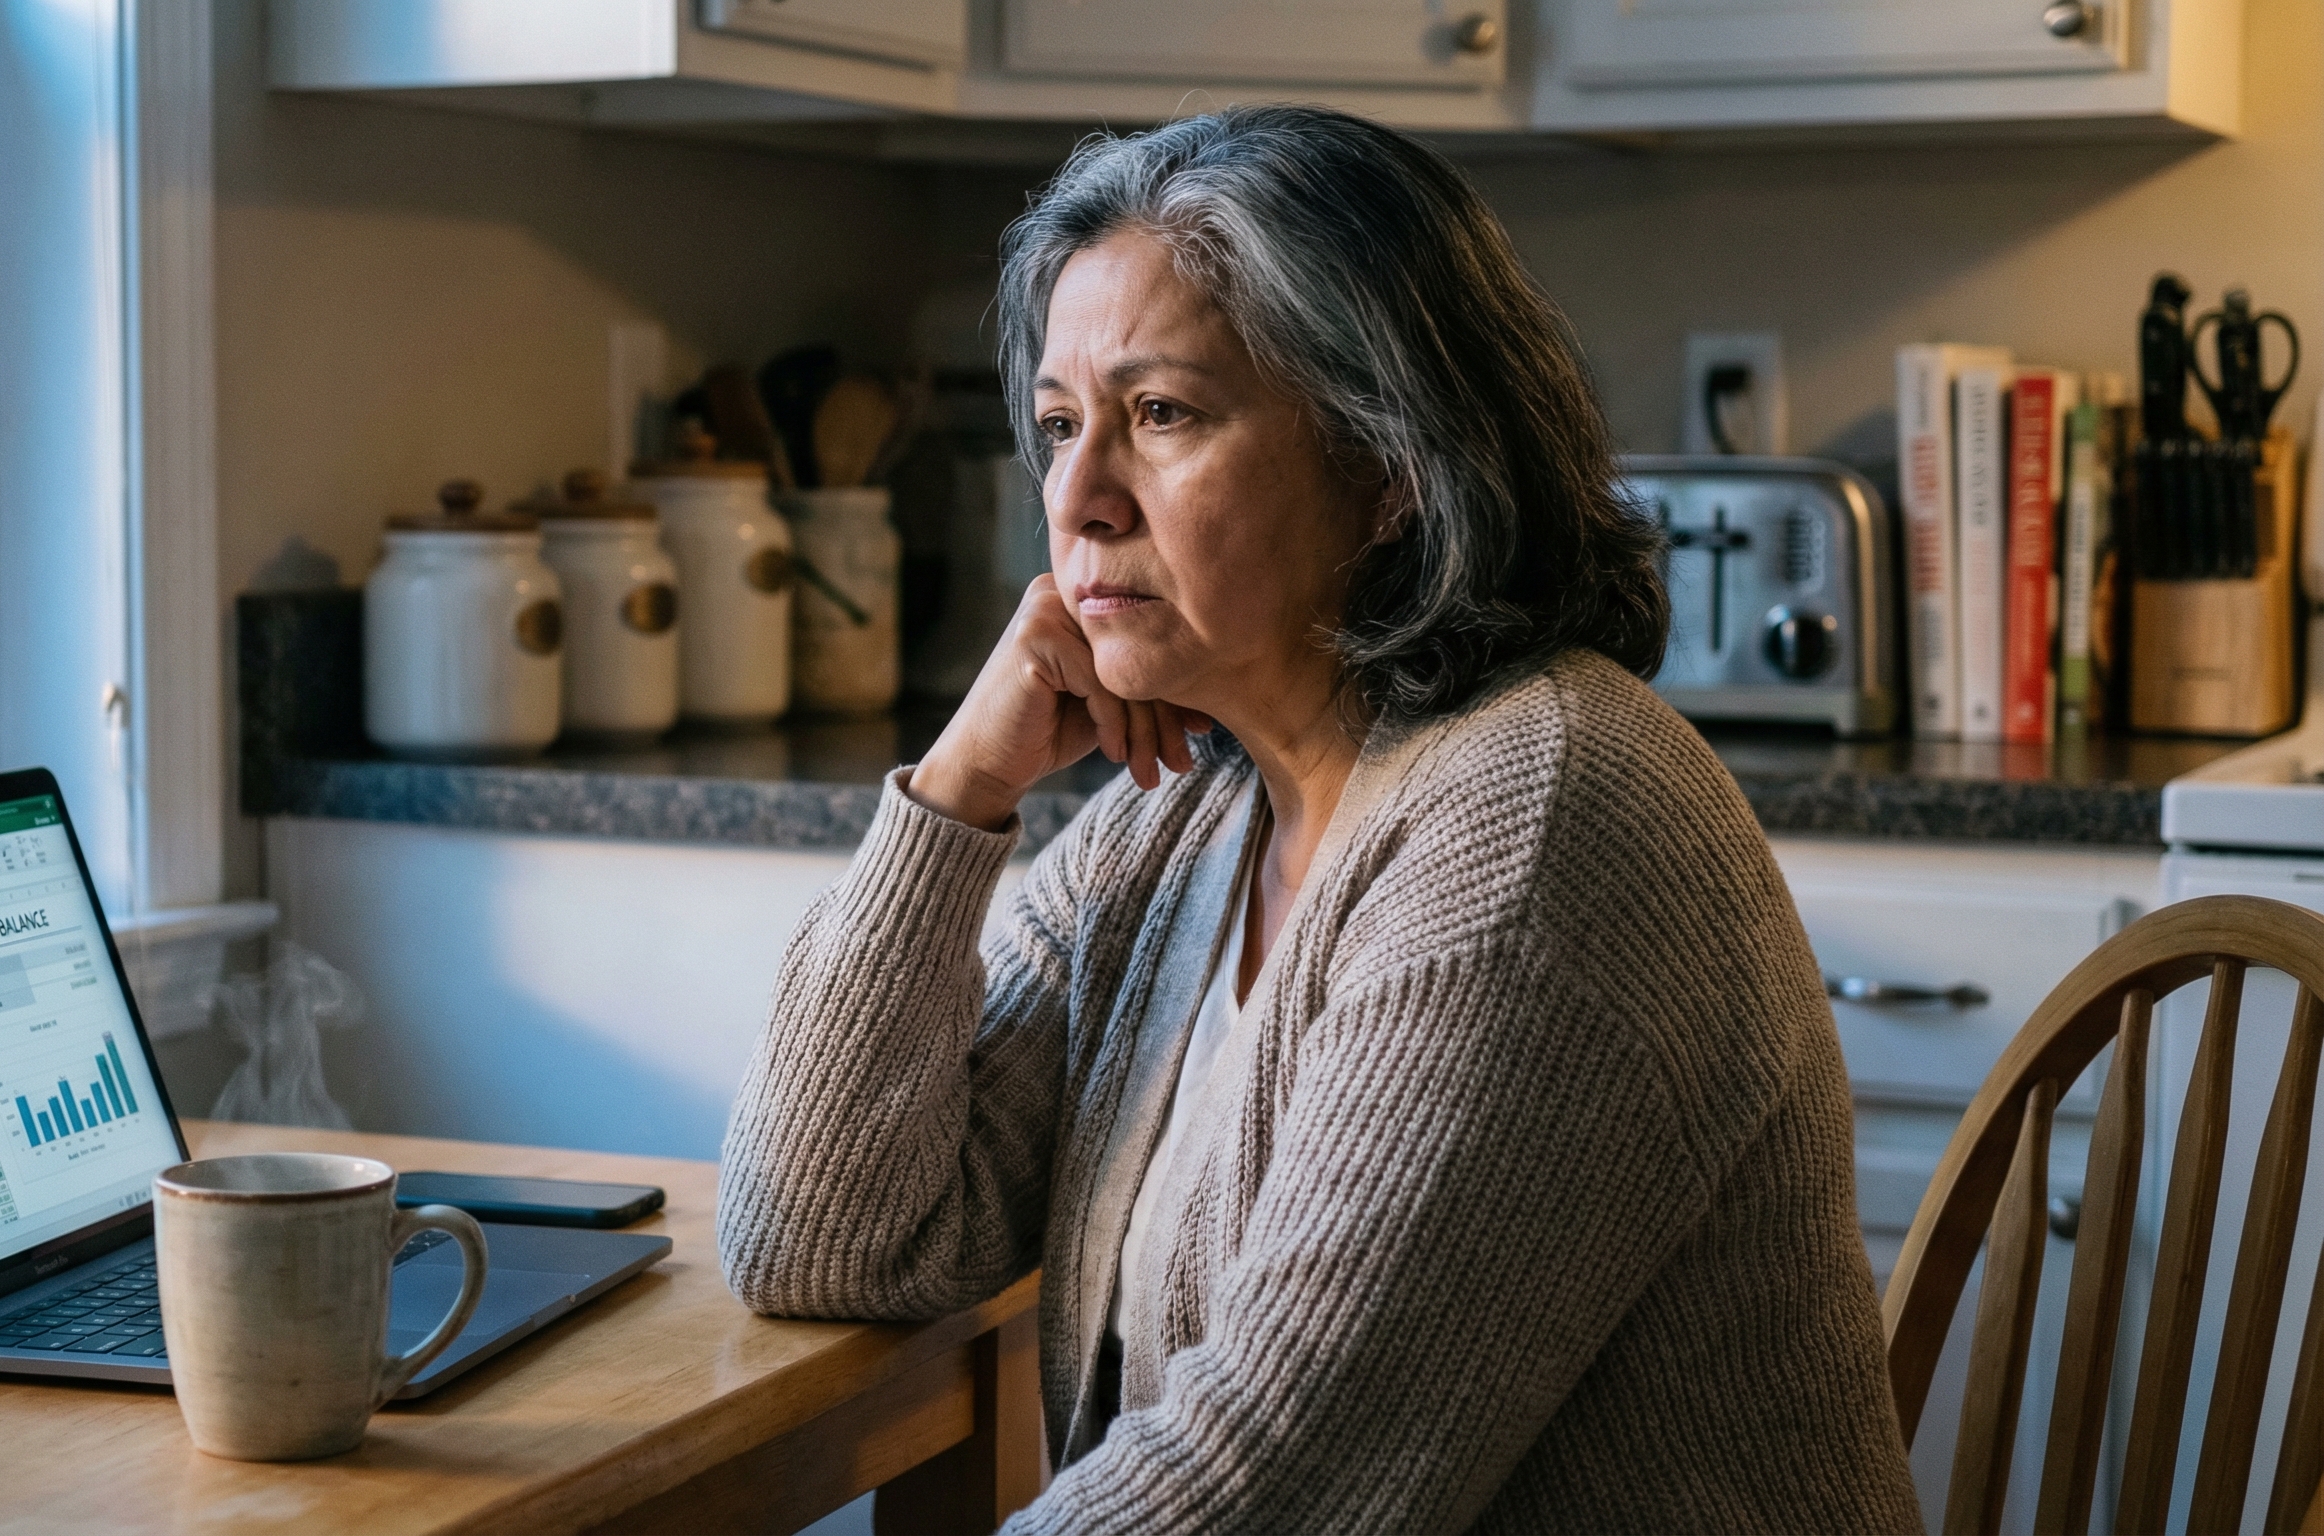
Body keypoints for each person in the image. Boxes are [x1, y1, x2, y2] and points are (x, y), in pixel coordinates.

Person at [717, 104, 1920, 1533]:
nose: (1078, 500)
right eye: (1058, 426)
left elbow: (1265, 1482)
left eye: (1161, 415)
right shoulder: (1181, 820)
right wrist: (955, 793)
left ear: (1391, 462)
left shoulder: (1538, 821)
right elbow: (824, 1240)